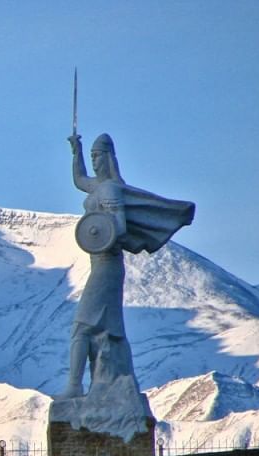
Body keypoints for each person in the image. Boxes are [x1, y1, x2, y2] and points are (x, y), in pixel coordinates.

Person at [60, 133, 194, 399]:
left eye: (98, 156)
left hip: (107, 265)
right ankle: (98, 383)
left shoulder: (110, 190)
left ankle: (74, 387)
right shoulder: (98, 187)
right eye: (92, 157)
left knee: (83, 325)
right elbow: (79, 181)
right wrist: (77, 151)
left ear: (108, 157)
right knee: (102, 328)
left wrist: (101, 229)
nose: (95, 161)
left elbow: (118, 226)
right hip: (99, 263)